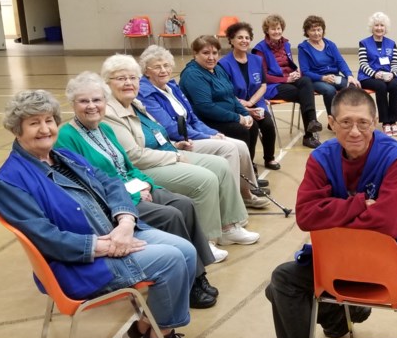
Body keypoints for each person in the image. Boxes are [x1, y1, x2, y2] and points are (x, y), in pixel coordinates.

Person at [0, 90, 199, 338]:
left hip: (116, 234)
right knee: (170, 260)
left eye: (49, 120)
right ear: (17, 129)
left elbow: (111, 183)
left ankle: (146, 329)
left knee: (186, 249)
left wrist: (125, 222)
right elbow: (46, 238)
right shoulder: (8, 182)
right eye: (34, 122)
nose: (45, 129)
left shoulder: (62, 156)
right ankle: (161, 337)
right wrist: (108, 246)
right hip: (81, 262)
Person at [264, 87, 397, 338]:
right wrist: (358, 204)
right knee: (282, 285)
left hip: (384, 266)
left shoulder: (396, 157)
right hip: (337, 263)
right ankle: (339, 317)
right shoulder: (321, 158)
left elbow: (389, 223)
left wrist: (331, 218)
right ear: (331, 122)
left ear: (375, 121)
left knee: (282, 284)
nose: (355, 131)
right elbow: (306, 215)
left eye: (363, 123)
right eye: (345, 122)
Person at [57, 71, 222, 308]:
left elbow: (128, 166)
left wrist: (148, 184)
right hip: (113, 203)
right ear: (73, 104)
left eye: (97, 100)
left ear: (105, 102)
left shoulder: (106, 129)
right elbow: (91, 184)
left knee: (185, 203)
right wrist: (135, 194)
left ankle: (198, 274)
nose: (92, 106)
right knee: (171, 215)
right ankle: (189, 283)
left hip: (135, 187)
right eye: (84, 101)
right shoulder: (67, 137)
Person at [101, 54, 260, 248]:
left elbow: (157, 133)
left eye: (132, 78)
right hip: (144, 168)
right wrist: (174, 155)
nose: (128, 83)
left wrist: (176, 146)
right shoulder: (110, 113)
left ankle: (228, 228)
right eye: (121, 78)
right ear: (107, 83)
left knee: (221, 164)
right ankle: (206, 240)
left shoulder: (135, 104)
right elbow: (134, 156)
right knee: (205, 178)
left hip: (166, 152)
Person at [136, 44, 270, 207]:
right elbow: (172, 128)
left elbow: (193, 118)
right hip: (178, 142)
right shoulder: (146, 92)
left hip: (192, 134)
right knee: (229, 148)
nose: (163, 70)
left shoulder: (171, 86)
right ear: (146, 70)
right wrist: (207, 136)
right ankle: (232, 203)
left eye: (166, 65)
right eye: (157, 67)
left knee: (240, 146)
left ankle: (245, 193)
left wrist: (213, 133)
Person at [178, 35, 268, 171]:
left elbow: (231, 96)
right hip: (206, 121)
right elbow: (205, 107)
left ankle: (248, 168)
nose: (211, 57)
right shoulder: (193, 74)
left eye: (214, 53)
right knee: (240, 130)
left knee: (253, 125)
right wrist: (238, 118)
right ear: (195, 54)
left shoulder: (217, 69)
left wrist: (245, 114)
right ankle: (239, 174)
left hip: (226, 116)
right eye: (205, 53)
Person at [252, 14, 322, 149]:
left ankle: (312, 121)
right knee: (303, 94)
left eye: (278, 28)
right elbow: (263, 76)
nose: (277, 31)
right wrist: (286, 79)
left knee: (306, 81)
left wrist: (296, 73)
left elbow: (289, 66)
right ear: (267, 31)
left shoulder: (286, 44)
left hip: (288, 79)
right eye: (273, 29)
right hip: (273, 85)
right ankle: (309, 135)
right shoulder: (259, 49)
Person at [218, 21, 279, 170]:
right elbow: (226, 91)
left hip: (256, 102)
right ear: (231, 40)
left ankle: (269, 158)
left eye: (247, 37)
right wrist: (242, 104)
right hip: (235, 105)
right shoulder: (224, 64)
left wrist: (251, 102)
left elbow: (263, 85)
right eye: (240, 37)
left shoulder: (256, 60)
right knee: (251, 126)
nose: (244, 41)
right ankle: (249, 163)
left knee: (268, 124)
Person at [297, 15, 360, 117]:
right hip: (316, 79)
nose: (317, 33)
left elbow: (340, 62)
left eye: (319, 29)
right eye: (313, 30)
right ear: (307, 32)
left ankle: (349, 117)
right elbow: (305, 71)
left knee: (353, 86)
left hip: (334, 76)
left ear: (323, 30)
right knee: (329, 91)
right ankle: (333, 120)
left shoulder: (330, 44)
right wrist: (323, 78)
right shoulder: (303, 48)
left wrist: (349, 76)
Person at [357, 12, 397, 137]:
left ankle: (393, 121)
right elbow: (363, 64)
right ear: (372, 27)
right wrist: (375, 74)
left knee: (394, 86)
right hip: (369, 77)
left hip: (389, 75)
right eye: (376, 25)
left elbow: (395, 62)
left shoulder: (391, 43)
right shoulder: (363, 43)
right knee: (381, 86)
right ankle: (385, 122)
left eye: (382, 25)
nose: (379, 28)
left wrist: (393, 73)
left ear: (385, 28)